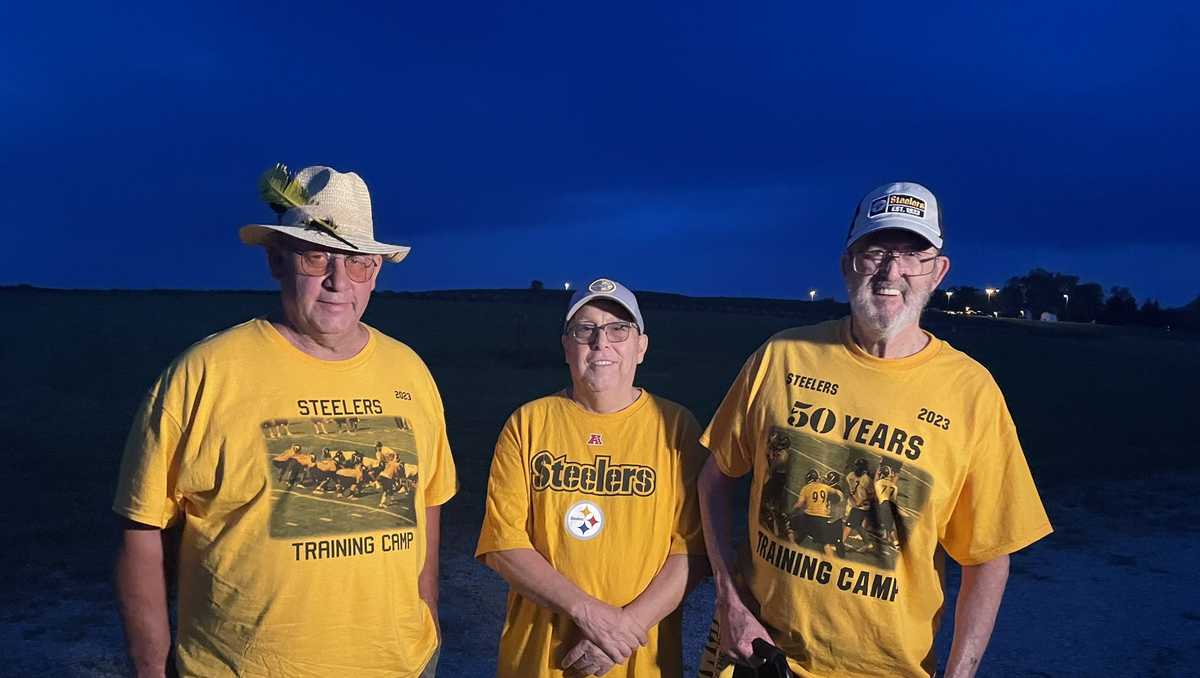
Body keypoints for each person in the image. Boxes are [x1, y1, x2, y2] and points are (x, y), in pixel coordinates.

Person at [112, 164, 457, 677]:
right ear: (277, 260)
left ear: (376, 271)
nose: (339, 280)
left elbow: (428, 500)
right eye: (317, 256)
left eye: (357, 262)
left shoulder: (409, 370)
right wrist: (150, 668)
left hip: (398, 664)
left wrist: (426, 620)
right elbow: (140, 527)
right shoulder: (204, 373)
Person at [696, 182, 1052, 677]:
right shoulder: (781, 357)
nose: (891, 272)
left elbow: (988, 556)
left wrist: (960, 674)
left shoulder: (971, 392)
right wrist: (728, 601)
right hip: (760, 657)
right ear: (848, 263)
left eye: (913, 255)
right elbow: (715, 477)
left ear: (937, 272)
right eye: (875, 252)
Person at [477, 278, 708, 677]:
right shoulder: (529, 423)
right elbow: (503, 544)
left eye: (619, 329)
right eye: (585, 329)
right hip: (542, 659)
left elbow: (691, 550)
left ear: (641, 347)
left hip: (637, 659)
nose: (602, 342)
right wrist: (590, 614)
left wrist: (623, 631)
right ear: (567, 346)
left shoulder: (677, 427)